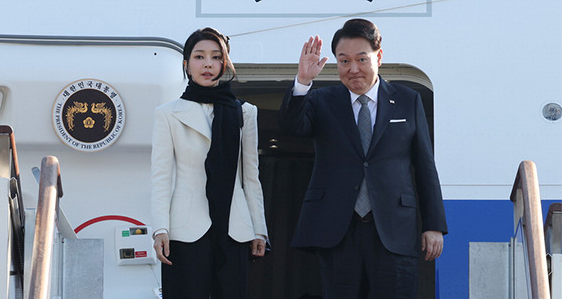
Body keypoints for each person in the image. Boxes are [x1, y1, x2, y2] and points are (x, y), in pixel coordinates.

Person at [278, 19, 448, 298]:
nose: (353, 69)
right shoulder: (323, 101)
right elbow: (291, 127)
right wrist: (303, 81)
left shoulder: (407, 100)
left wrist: (434, 225)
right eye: (344, 61)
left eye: (361, 59)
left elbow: (425, 166)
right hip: (338, 230)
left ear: (378, 57)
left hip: (394, 230)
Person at [151, 27, 268, 299]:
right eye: (199, 56)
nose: (207, 64)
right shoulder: (167, 114)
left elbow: (250, 176)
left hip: (234, 226)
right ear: (186, 64)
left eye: (215, 57)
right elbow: (161, 176)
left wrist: (259, 228)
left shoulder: (245, 112)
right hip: (186, 228)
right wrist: (160, 228)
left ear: (224, 64)